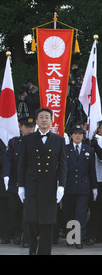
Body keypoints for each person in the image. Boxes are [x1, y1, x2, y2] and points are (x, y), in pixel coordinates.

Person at [17, 108, 67, 255]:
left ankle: (44, 252)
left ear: (51, 121)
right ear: (37, 121)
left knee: (47, 222)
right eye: (41, 117)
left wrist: (61, 186)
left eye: (47, 117)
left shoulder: (59, 140)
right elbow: (22, 164)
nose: (44, 120)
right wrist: (21, 186)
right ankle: (32, 250)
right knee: (30, 220)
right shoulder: (28, 139)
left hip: (50, 186)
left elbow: (62, 164)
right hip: (32, 185)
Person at [3, 116, 36, 247]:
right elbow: (8, 160)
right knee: (14, 211)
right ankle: (16, 233)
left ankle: (27, 237)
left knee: (28, 212)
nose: (29, 129)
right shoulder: (14, 142)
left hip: (31, 183)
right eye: (27, 127)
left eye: (32, 127)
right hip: (15, 183)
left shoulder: (38, 142)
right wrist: (6, 175)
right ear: (21, 127)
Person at [63, 125, 98, 248]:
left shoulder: (89, 150)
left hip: (83, 187)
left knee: (81, 214)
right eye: (75, 134)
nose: (78, 136)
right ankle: (70, 238)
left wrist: (94, 187)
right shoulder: (65, 149)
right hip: (69, 186)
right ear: (71, 136)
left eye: (80, 134)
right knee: (69, 213)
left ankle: (78, 239)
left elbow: (92, 171)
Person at [85, 121, 102, 245]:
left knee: (100, 210)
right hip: (87, 181)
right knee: (85, 210)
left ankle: (98, 235)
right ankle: (79, 235)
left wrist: (97, 147)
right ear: (98, 131)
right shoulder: (87, 141)